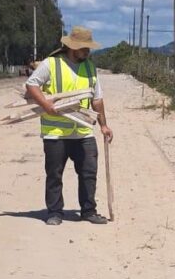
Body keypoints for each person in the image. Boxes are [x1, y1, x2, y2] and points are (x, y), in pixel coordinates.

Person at [25, 26, 113, 226]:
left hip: (83, 130)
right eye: (85, 48)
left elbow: (97, 100)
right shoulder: (51, 64)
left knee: (89, 172)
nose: (88, 52)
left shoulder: (90, 67)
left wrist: (104, 126)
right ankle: (55, 212)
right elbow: (32, 84)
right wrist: (46, 104)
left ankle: (88, 210)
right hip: (56, 133)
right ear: (74, 48)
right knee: (55, 174)